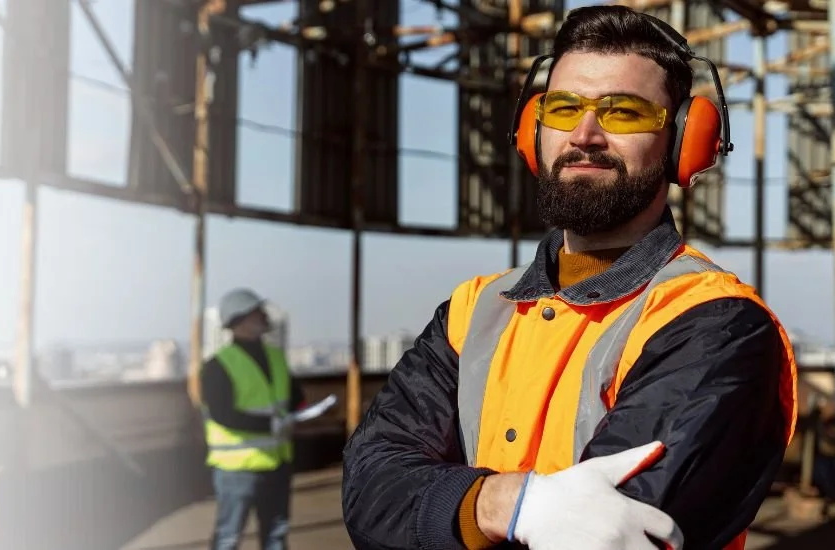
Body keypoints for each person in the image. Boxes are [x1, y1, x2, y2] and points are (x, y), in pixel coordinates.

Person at [340, 6, 797, 550]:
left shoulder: (717, 324)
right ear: (533, 132)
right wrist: (500, 504)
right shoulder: (475, 309)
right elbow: (370, 486)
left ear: (683, 142)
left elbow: (611, 531)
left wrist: (450, 511)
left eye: (623, 112)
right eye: (562, 108)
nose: (584, 135)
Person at [199, 288, 305, 550]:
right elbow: (222, 415)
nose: (265, 315)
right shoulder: (217, 365)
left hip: (276, 462)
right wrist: (271, 425)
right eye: (257, 312)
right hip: (237, 468)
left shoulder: (276, 357)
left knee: (276, 535)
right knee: (229, 537)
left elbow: (294, 396)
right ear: (239, 320)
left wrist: (301, 410)